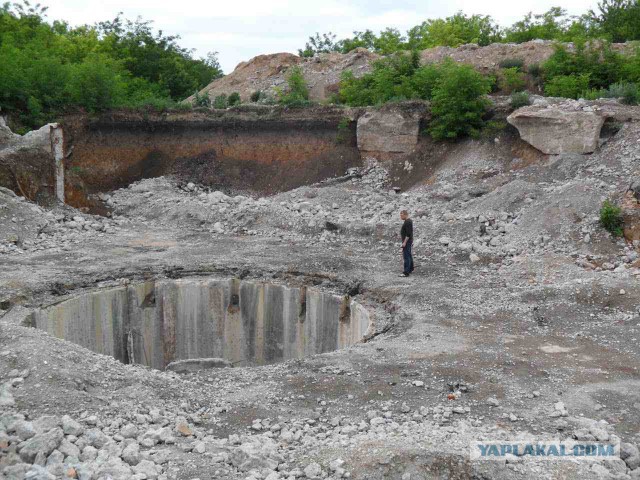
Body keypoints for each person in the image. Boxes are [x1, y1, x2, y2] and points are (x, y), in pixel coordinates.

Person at [399, 210, 414, 277]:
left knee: (406, 256)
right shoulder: (408, 221)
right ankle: (410, 268)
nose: (400, 216)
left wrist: (404, 242)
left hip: (407, 241)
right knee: (409, 255)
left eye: (401, 215)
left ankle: (406, 272)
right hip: (408, 241)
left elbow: (408, 234)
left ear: (405, 214)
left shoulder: (408, 222)